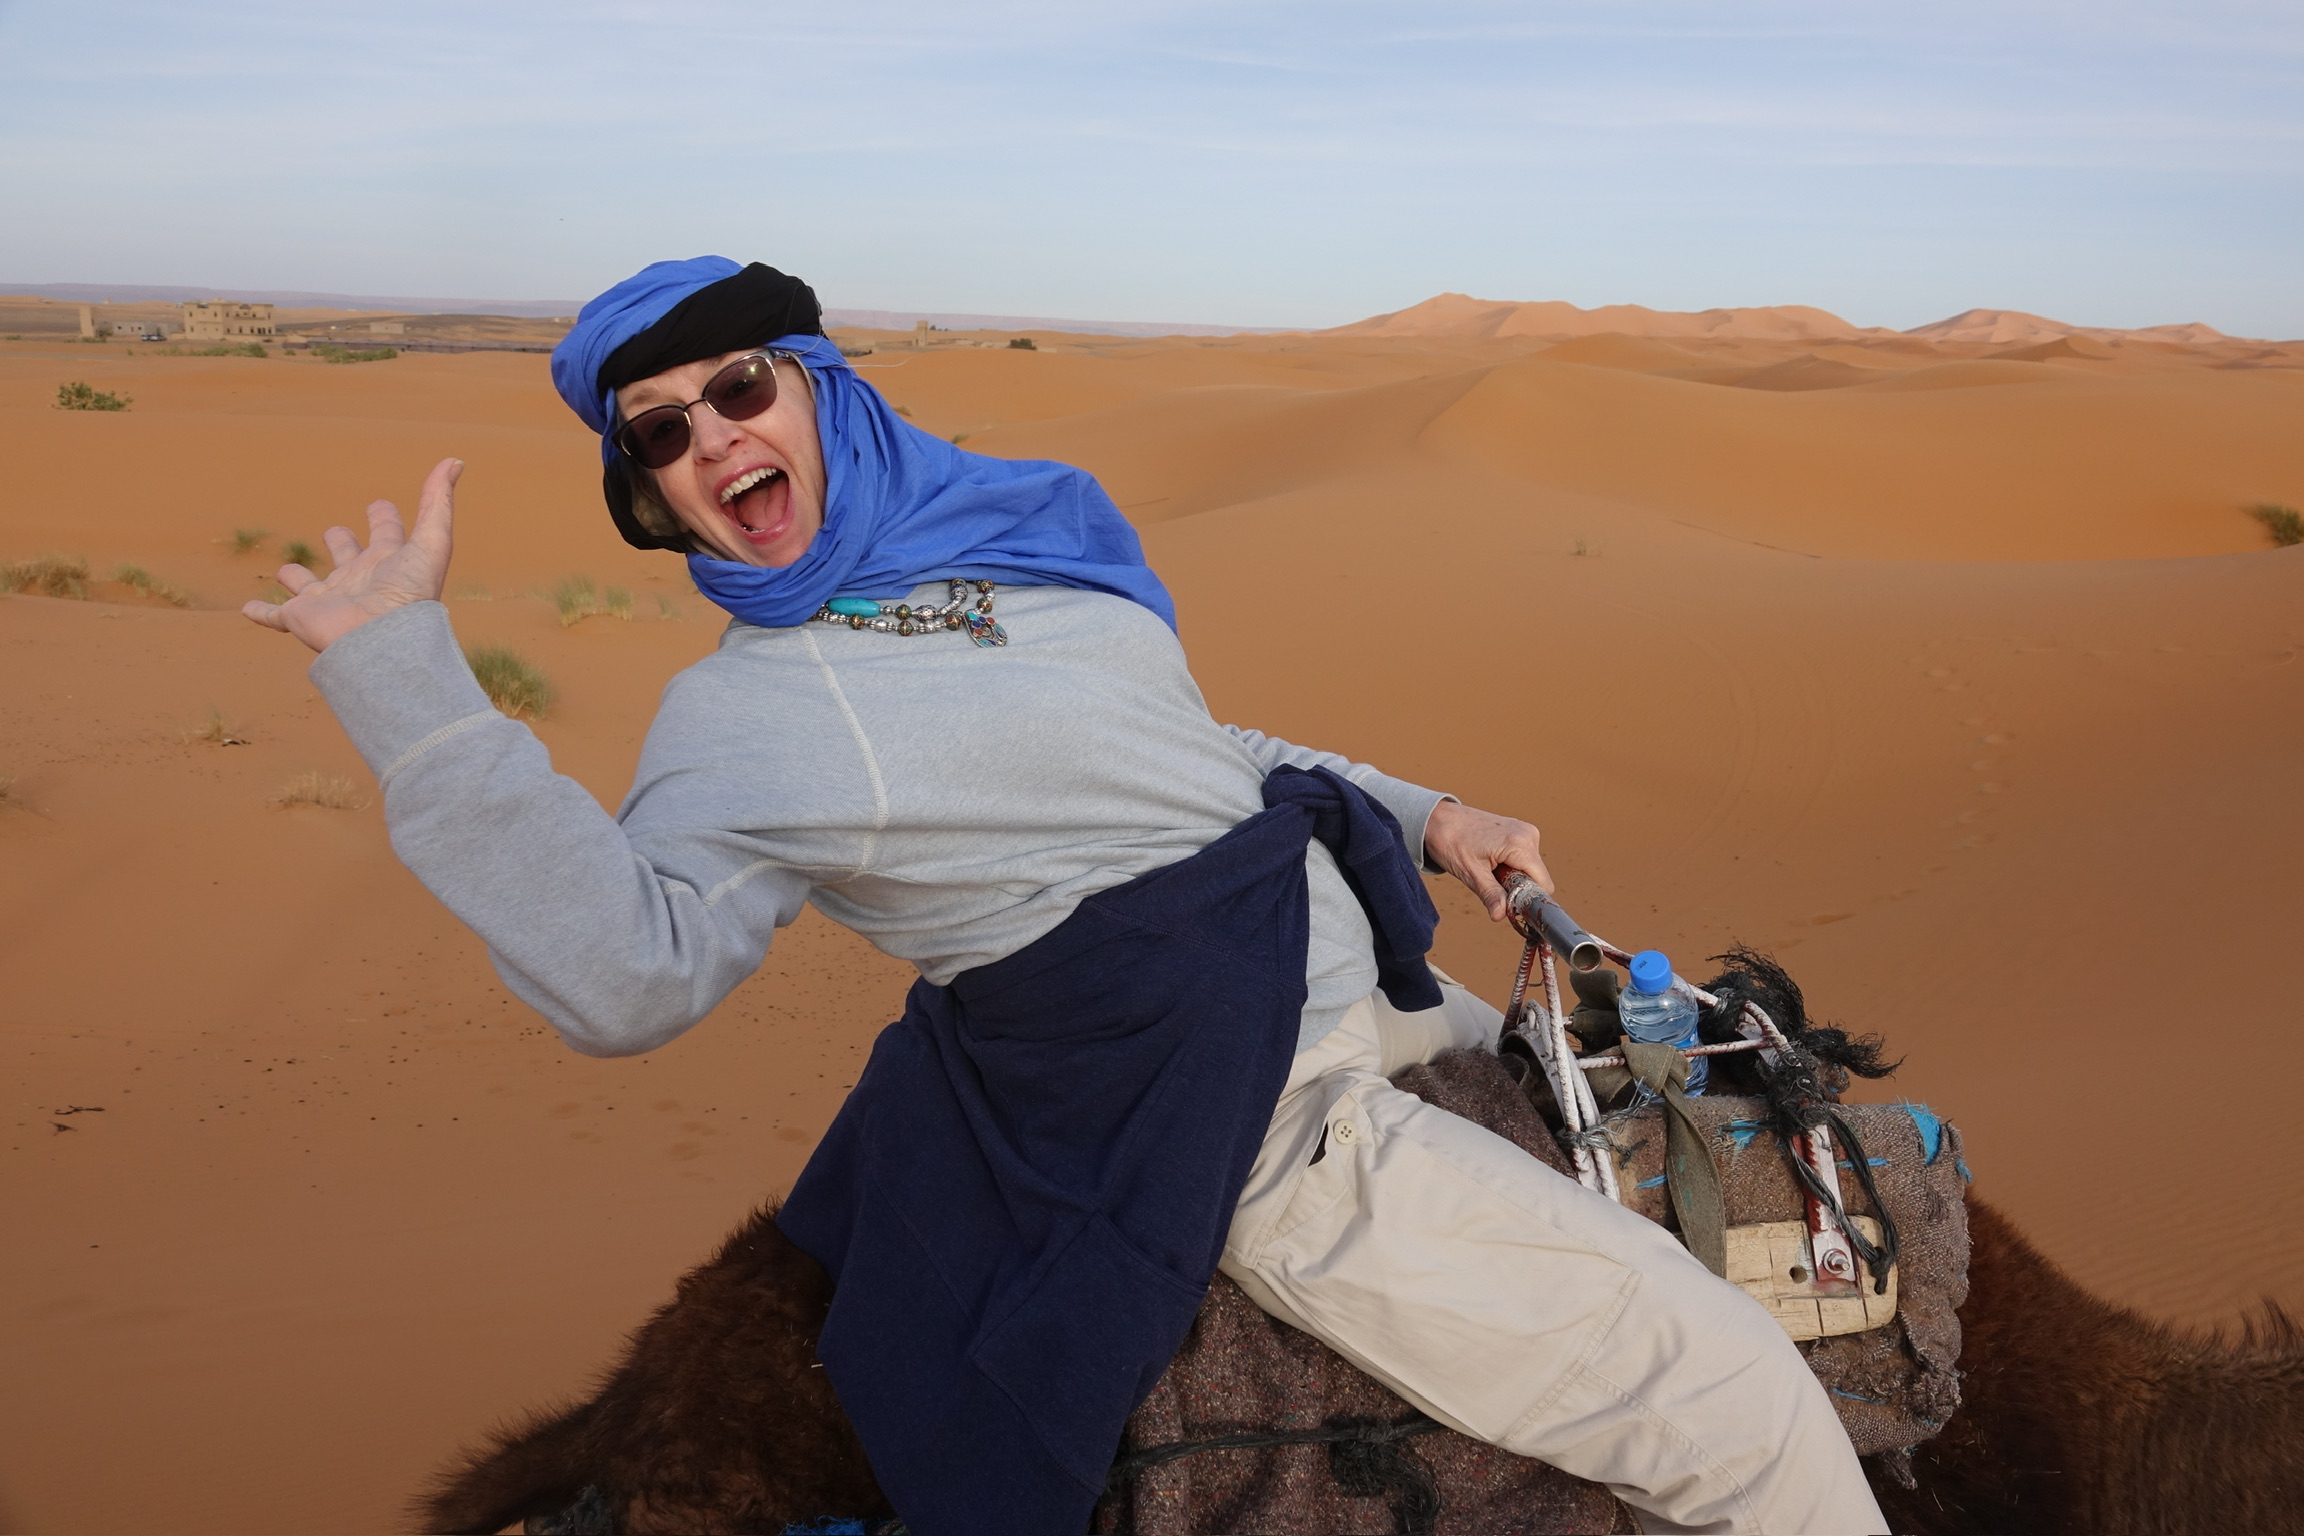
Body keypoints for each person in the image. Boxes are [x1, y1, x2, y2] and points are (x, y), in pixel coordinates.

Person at [243, 257, 1886, 1536]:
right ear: (651, 491)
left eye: (735, 387)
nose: (710, 438)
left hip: (1363, 986)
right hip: (1250, 1113)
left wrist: (1425, 812)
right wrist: (412, 691)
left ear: (818, 387)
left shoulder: (1010, 554)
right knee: (1736, 1402)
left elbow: (1190, 745)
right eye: (659, 432)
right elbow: (627, 970)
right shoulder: (750, 716)